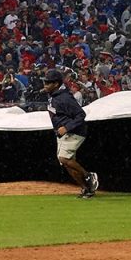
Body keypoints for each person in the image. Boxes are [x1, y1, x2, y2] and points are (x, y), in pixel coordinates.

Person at [44, 69, 97, 199]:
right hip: (63, 133)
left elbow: (81, 115)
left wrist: (66, 128)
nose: (45, 85)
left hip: (74, 132)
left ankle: (88, 175)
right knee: (67, 163)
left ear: (56, 84)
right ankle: (86, 189)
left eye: (48, 83)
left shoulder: (65, 97)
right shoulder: (55, 95)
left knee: (64, 158)